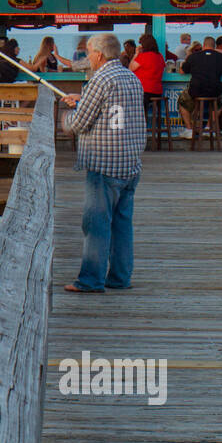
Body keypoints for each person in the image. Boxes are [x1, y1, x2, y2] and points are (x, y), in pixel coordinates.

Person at [60, 34, 145, 293]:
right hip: (130, 162)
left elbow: (78, 124)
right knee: (121, 223)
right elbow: (113, 112)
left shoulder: (99, 79)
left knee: (95, 223)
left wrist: (66, 114)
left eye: (88, 53)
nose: (87, 58)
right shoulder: (130, 77)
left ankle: (90, 280)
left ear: (98, 55)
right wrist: (82, 99)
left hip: (104, 163)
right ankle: (119, 278)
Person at [177, 37, 222, 140]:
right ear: (214, 46)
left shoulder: (194, 56)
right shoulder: (221, 57)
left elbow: (182, 71)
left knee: (182, 102)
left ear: (203, 45)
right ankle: (208, 127)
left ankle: (189, 130)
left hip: (196, 90)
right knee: (219, 105)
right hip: (215, 91)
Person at [129, 33, 165, 116]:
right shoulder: (160, 56)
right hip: (157, 91)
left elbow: (130, 68)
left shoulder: (143, 56)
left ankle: (139, 124)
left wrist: (136, 54)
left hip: (143, 91)